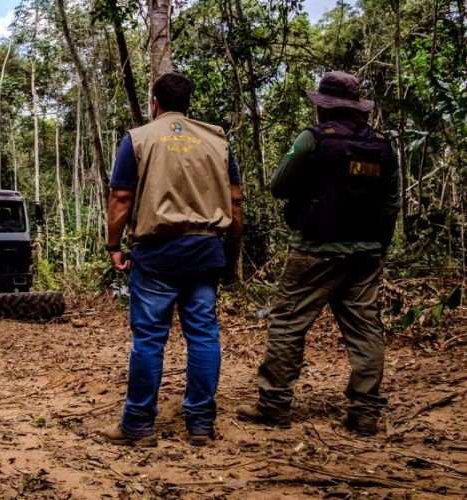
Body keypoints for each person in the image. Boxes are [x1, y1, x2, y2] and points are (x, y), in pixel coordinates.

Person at [237, 71, 399, 436]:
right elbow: (391, 205)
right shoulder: (383, 146)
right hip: (365, 253)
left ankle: (274, 404)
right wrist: (380, 251)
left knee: (287, 324)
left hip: (315, 250)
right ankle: (365, 413)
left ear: (325, 108)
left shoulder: (313, 140)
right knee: (366, 330)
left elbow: (278, 186)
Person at [101, 72, 243, 447]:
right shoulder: (216, 139)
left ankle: (137, 424)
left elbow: (120, 199)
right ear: (188, 103)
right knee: (203, 334)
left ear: (155, 102)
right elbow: (236, 200)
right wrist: (234, 249)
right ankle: (199, 423)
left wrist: (114, 246)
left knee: (149, 338)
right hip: (205, 250)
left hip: (157, 253)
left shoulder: (139, 138)